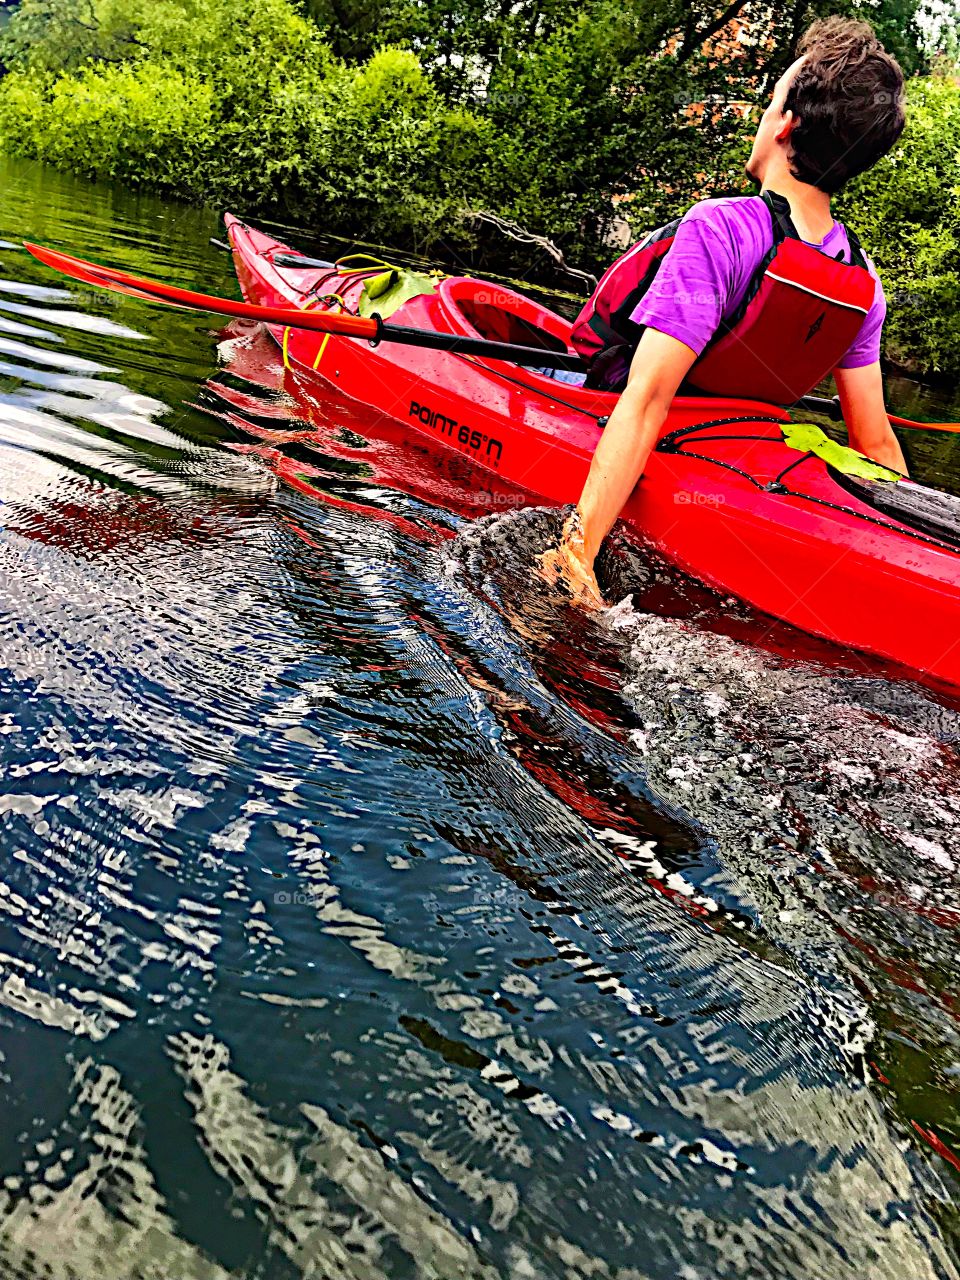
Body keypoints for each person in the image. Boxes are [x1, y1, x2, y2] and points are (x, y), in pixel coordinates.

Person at [541, 16, 908, 606]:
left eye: (769, 105)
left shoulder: (720, 229)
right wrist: (909, 549)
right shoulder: (862, 280)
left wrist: (578, 551)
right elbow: (875, 443)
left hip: (609, 405)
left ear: (784, 125)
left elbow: (648, 399)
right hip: (732, 445)